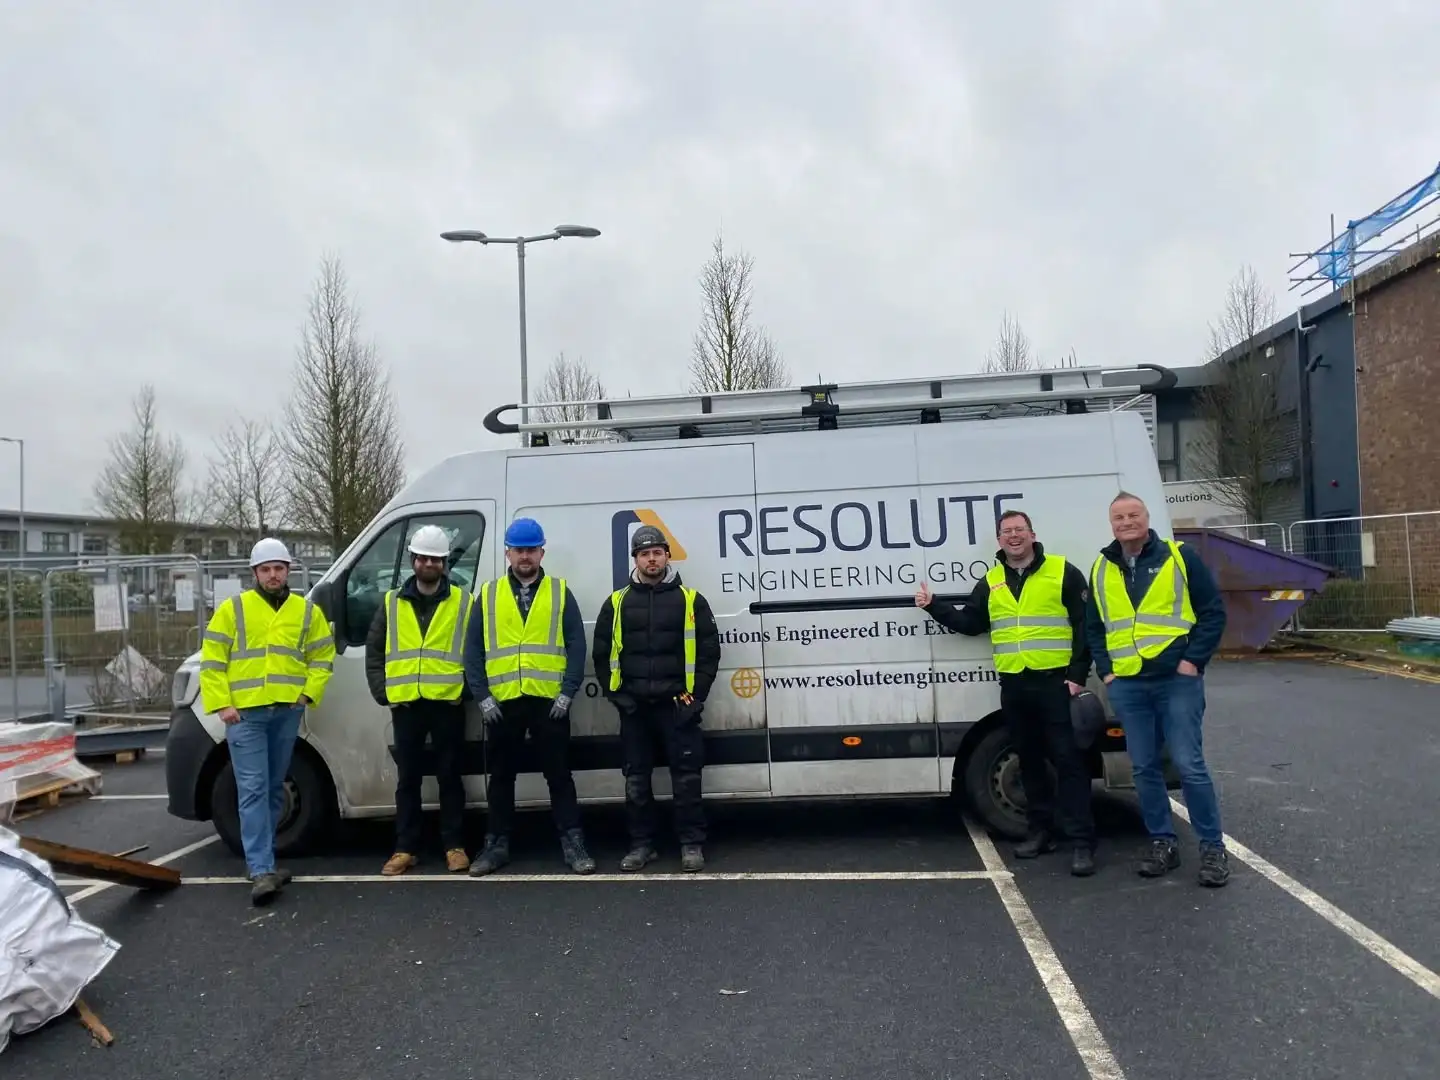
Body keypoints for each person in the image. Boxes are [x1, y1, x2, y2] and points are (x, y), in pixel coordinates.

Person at [915, 509, 1098, 876]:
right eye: (1007, 531)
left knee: (1068, 762)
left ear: (1032, 534)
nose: (1014, 536)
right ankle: (1040, 832)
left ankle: (1082, 842)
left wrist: (1078, 674)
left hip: (1055, 683)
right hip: (1015, 685)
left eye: (1019, 530)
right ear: (999, 540)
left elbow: (1086, 624)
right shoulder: (992, 580)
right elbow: (971, 622)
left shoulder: (1062, 571)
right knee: (1029, 762)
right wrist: (934, 605)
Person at [1085, 491, 1230, 887]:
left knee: (1188, 764)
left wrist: (1192, 661)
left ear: (1147, 518)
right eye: (1119, 517)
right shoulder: (1101, 566)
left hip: (1176, 681)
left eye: (1133, 514)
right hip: (1129, 684)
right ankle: (1162, 842)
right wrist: (1108, 672)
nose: (1127, 522)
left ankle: (1212, 848)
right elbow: (1094, 626)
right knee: (1144, 768)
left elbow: (1212, 612)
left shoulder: (1180, 558)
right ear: (1111, 524)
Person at [199, 537, 335, 906]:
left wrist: (306, 695)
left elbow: (322, 656)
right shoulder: (234, 609)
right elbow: (212, 660)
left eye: (278, 568)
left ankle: (266, 861)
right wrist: (222, 705)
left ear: (288, 570)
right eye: (265, 569)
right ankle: (260, 869)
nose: (272, 575)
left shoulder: (305, 612)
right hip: (246, 715)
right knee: (254, 789)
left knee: (274, 788)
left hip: (285, 713)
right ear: (255, 573)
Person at [464, 517, 594, 875]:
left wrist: (567, 693)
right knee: (501, 778)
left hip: (549, 705)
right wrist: (482, 697)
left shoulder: (559, 592)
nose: (525, 556)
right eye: (519, 550)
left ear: (541, 553)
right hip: (502, 705)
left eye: (531, 550)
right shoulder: (488, 595)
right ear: (507, 553)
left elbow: (577, 645)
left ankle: (573, 842)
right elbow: (472, 650)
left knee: (559, 776)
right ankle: (496, 845)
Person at [592, 524, 721, 873]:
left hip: (678, 706)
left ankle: (691, 844)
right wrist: (618, 697)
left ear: (667, 556)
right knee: (636, 781)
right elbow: (601, 655)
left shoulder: (691, 600)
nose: (652, 559)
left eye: (657, 553)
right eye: (645, 554)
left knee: (687, 779)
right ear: (635, 559)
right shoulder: (617, 603)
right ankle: (641, 846)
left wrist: (695, 698)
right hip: (635, 709)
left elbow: (709, 652)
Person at [366, 524, 474, 876]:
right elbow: (374, 651)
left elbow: (478, 650)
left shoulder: (463, 602)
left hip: (448, 705)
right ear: (413, 560)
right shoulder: (391, 602)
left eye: (436, 559)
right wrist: (383, 692)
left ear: (445, 563)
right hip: (407, 706)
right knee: (408, 781)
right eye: (423, 558)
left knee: (450, 778)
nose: (429, 564)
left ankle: (454, 846)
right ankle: (405, 848)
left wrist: (465, 691)